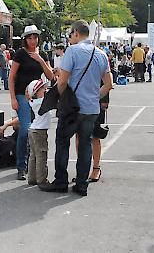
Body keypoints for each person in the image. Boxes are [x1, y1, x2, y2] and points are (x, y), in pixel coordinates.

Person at [40, 20, 112, 197]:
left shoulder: (72, 51)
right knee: (85, 144)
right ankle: (81, 184)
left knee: (63, 142)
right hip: (91, 108)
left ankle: (61, 181)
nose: (70, 38)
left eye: (70, 34)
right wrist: (95, 96)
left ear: (76, 33)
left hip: (72, 108)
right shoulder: (101, 54)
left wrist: (61, 98)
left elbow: (63, 81)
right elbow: (109, 84)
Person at [8, 25, 54, 180]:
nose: (33, 40)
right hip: (22, 94)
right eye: (30, 38)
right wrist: (13, 98)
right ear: (25, 39)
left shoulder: (43, 54)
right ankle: (21, 166)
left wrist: (40, 59)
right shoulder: (20, 54)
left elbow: (50, 75)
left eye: (35, 37)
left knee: (36, 130)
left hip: (37, 96)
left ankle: (32, 165)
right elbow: (11, 76)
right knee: (25, 129)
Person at [26, 79, 51, 187]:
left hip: (33, 130)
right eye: (42, 89)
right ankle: (42, 180)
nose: (45, 90)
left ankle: (32, 178)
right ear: (36, 92)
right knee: (41, 155)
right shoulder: (41, 102)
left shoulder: (33, 102)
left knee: (33, 155)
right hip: (40, 130)